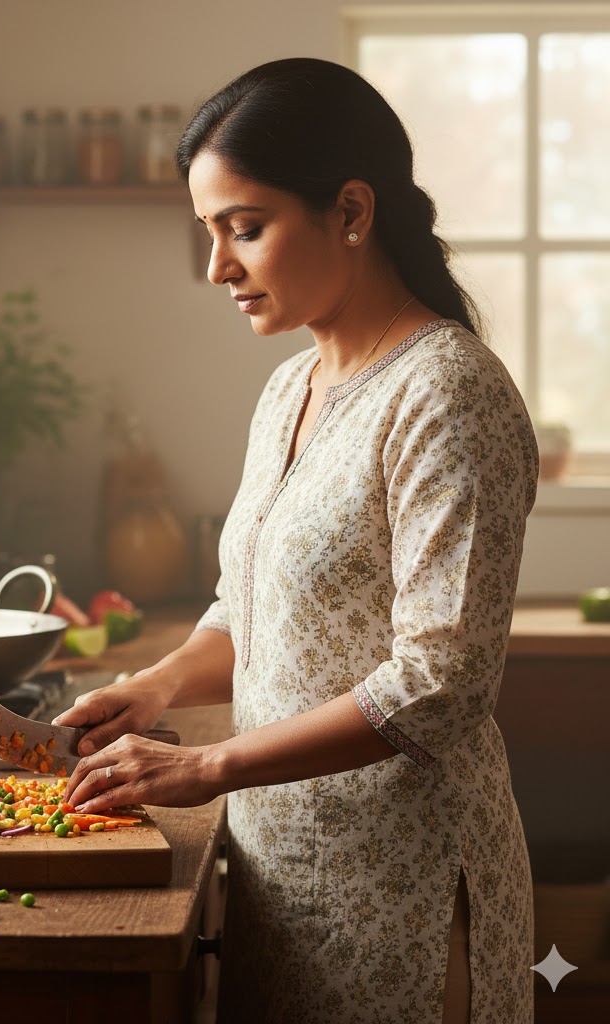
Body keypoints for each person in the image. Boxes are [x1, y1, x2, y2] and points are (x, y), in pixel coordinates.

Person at [55, 57, 538, 1023]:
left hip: (403, 883)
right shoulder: (290, 389)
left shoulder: (446, 391)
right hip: (282, 870)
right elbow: (249, 605)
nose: (217, 266)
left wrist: (202, 767)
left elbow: (441, 683)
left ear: (351, 212)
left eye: (245, 227)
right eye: (210, 233)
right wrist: (155, 688)